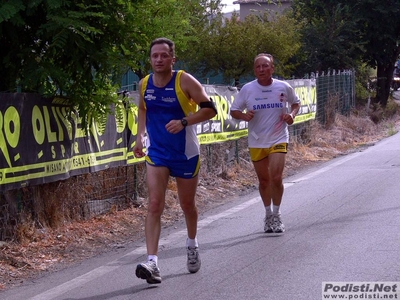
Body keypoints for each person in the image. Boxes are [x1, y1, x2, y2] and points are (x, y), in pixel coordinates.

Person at [133, 37, 217, 284]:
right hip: (157, 153)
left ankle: (192, 244)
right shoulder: (144, 83)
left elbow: (210, 109)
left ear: (172, 59)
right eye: (154, 56)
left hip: (185, 153)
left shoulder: (184, 81)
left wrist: (184, 122)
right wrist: (139, 137)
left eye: (163, 55)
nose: (158, 59)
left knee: (187, 205)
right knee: (155, 204)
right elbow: (142, 110)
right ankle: (152, 263)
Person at [230, 53, 300, 236]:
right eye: (258, 67)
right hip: (257, 139)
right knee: (263, 181)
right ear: (254, 70)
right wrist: (243, 116)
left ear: (272, 68)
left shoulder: (283, 87)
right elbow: (234, 110)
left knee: (276, 177)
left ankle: (277, 214)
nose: (261, 70)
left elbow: (296, 104)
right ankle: (268, 214)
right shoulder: (247, 89)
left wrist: (291, 116)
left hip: (278, 137)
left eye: (265, 66)